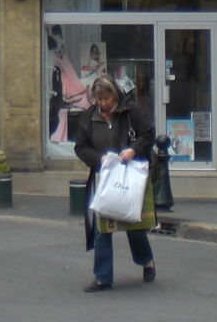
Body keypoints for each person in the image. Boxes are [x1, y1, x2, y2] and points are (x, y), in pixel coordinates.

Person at [72, 72, 156, 292]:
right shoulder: (88, 118)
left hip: (129, 175)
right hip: (103, 176)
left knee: (133, 225)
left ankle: (146, 260)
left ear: (115, 95)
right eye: (99, 99)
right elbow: (80, 147)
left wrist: (133, 149)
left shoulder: (131, 113)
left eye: (106, 99)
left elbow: (148, 134)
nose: (103, 103)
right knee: (103, 228)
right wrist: (97, 159)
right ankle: (103, 277)